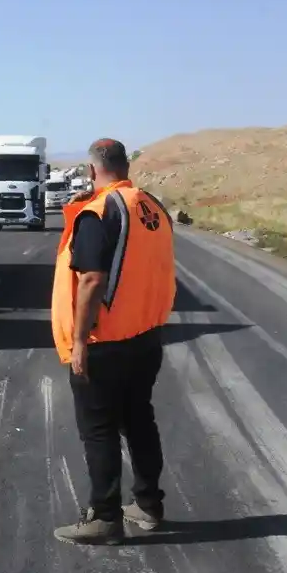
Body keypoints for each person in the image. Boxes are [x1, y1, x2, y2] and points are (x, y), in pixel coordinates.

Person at [50, 138, 176, 545]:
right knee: (139, 419)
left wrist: (81, 341)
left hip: (105, 342)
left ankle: (104, 518)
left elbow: (91, 278)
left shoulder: (97, 211)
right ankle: (148, 505)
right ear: (126, 166)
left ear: (92, 170)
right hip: (146, 336)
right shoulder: (151, 205)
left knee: (99, 429)